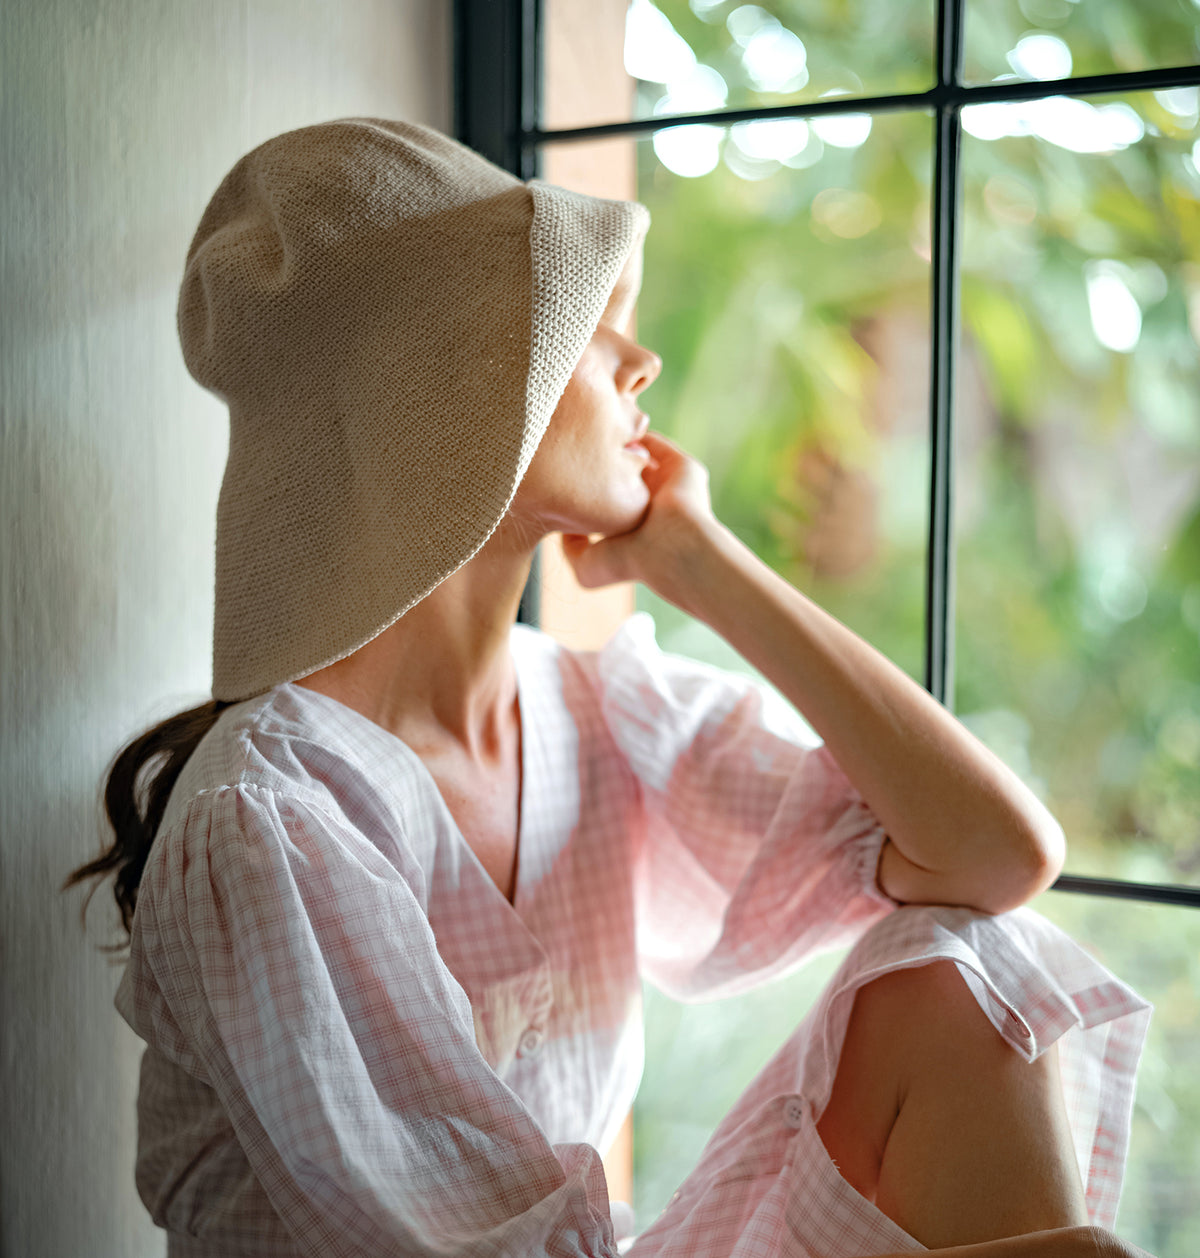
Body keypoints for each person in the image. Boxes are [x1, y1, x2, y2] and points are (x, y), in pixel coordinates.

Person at [67, 118, 1153, 1258]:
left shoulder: (594, 717)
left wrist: (705, 566)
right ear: (452, 392)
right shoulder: (272, 820)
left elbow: (991, 856)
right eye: (592, 330)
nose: (644, 367)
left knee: (968, 976)